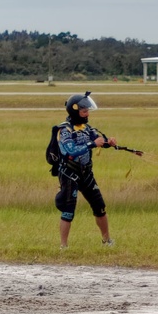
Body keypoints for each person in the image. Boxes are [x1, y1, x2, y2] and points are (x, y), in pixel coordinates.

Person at [54, 91, 116, 249]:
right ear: (75, 111)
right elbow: (70, 151)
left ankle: (106, 241)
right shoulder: (65, 131)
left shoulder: (86, 128)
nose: (87, 114)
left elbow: (97, 140)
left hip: (86, 173)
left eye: (88, 110)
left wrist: (109, 142)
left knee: (100, 206)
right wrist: (92, 144)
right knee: (68, 211)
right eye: (84, 111)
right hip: (70, 174)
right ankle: (63, 246)